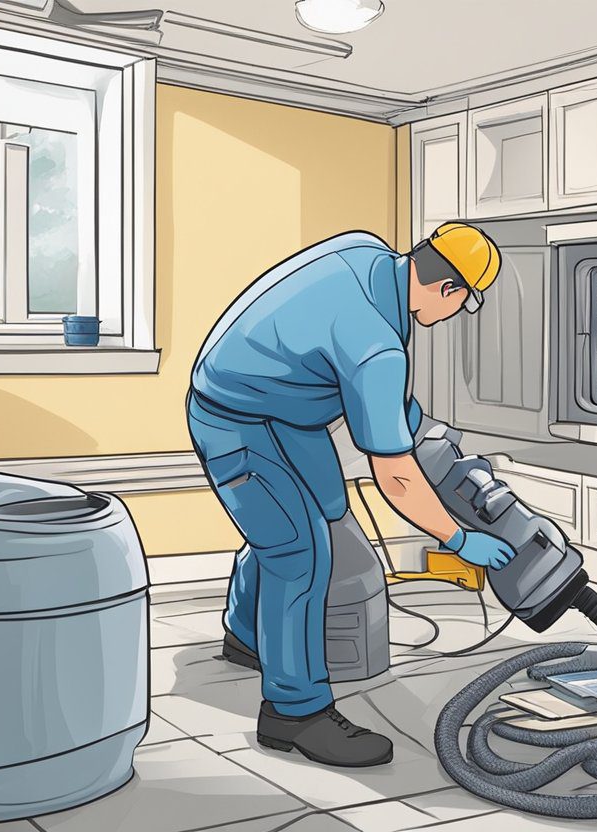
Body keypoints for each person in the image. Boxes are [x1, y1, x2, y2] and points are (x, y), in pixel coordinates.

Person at [186, 223, 515, 768]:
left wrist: (420, 430)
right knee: (297, 550)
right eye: (463, 304)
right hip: (232, 416)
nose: (455, 315)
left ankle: (247, 635)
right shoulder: (379, 346)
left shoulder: (367, 253)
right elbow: (397, 477)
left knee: (326, 514)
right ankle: (295, 713)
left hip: (283, 405)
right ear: (450, 290)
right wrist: (460, 540)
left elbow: (350, 370)